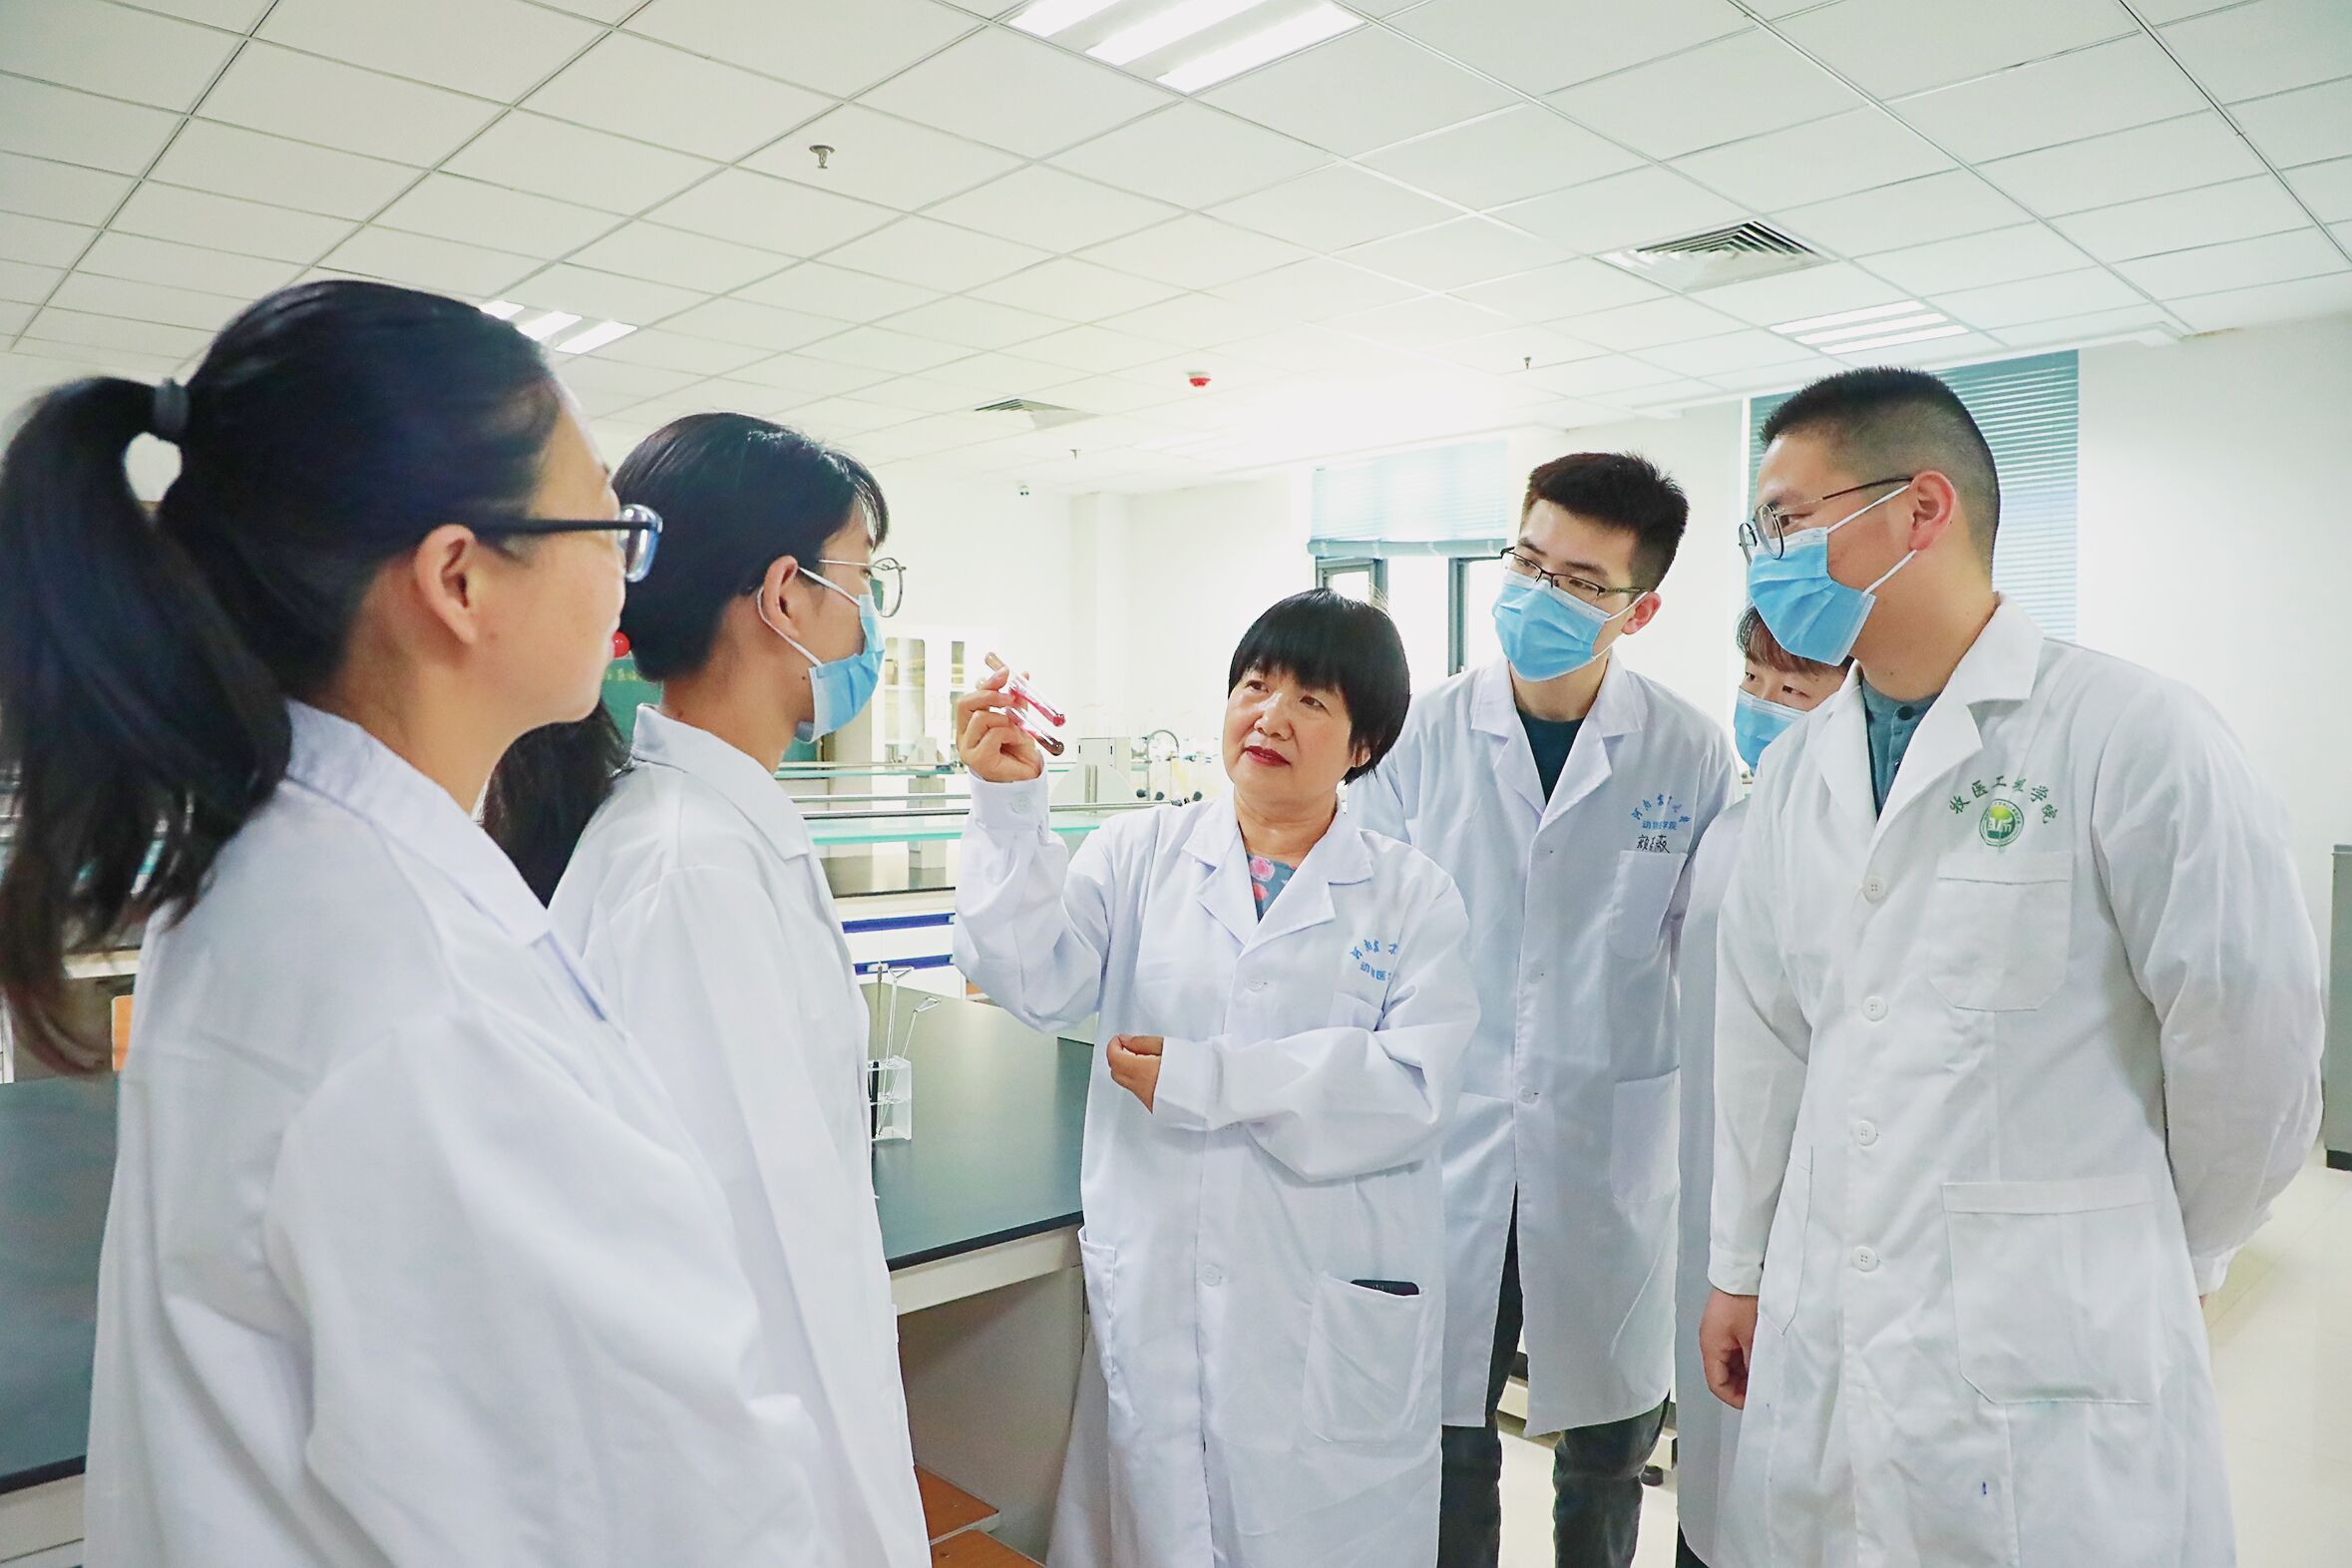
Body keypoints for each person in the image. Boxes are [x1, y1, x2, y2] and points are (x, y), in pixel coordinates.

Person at [0, 281, 833, 1565]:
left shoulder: (283, 877)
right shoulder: (425, 1000)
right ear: (459, 578)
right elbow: (676, 1519)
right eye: (604, 522)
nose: (625, 567)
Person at [1700, 367, 2323, 1566]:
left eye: (1787, 520)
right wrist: (1742, 1265)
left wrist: (2155, 1253)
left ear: (1921, 509)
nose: (1768, 558)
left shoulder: (2134, 736)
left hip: (2056, 1350)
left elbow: (2250, 1045)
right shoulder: (1798, 773)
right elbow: (1766, 1040)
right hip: (1829, 1321)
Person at [953, 589, 1477, 1568]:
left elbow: (1411, 1088)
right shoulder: (1137, 856)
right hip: (1161, 1283)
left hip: (1321, 1308)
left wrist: (1216, 1079)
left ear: (1364, 745)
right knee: (1156, 1522)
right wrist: (1008, 807)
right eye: (1255, 685)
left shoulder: (1412, 897)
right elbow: (1032, 979)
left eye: (1311, 701)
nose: (1270, 715)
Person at [483, 414, 926, 1567]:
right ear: (786, 598)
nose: (871, 617)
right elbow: (767, 1284)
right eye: (863, 580)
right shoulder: (692, 872)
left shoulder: (709, 834)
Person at [1351, 453, 1736, 1568]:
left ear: (1638, 610)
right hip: (1446, 1144)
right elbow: (1364, 940)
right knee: (1447, 1441)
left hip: (1607, 1155)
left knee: (1610, 1453)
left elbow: (1711, 963)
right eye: (1527, 563)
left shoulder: (1686, 751)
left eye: (1577, 581)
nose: (1538, 593)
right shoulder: (1420, 736)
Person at [1672, 608, 1847, 1568]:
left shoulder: (1860, 844)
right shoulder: (1729, 830)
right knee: (1715, 1460)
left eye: (1793, 688)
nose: (1764, 704)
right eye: (1753, 681)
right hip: (1714, 1172)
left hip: (1821, 1190)